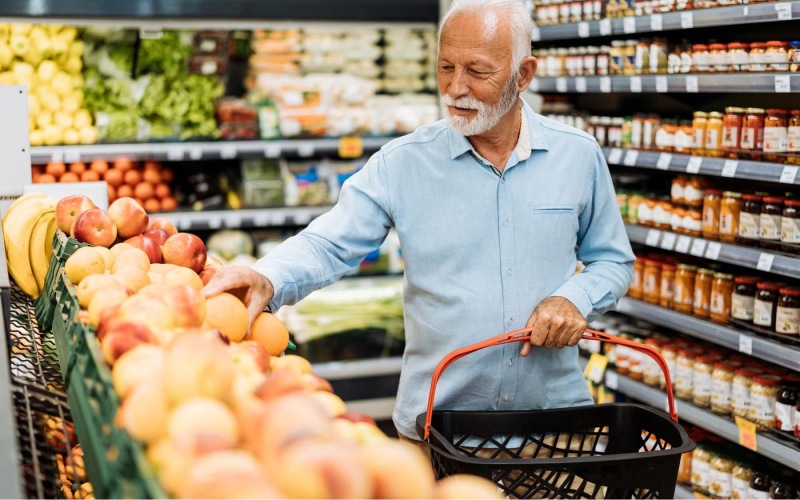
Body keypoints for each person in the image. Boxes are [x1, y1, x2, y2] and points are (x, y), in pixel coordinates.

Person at [202, 0, 634, 446]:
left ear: (523, 75)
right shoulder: (402, 162)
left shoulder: (576, 155)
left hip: (556, 428)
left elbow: (612, 261)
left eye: (477, 71)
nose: (455, 87)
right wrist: (267, 277)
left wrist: (574, 298)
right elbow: (329, 243)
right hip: (442, 433)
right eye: (445, 67)